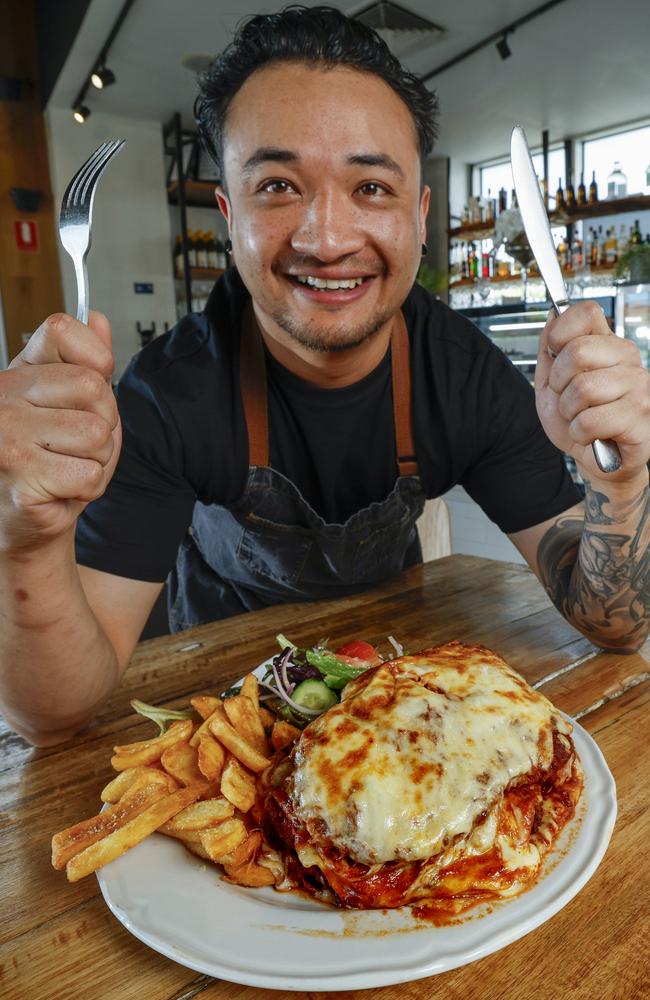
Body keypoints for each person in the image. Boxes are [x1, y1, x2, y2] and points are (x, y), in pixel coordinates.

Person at [0, 6, 648, 746]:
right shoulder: (166, 394)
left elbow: (614, 626)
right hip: (220, 710)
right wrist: (25, 543)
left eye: (371, 188)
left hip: (396, 696)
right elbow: (53, 716)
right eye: (277, 186)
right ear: (228, 215)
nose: (329, 239)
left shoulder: (464, 375)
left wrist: (619, 487)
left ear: (419, 213)